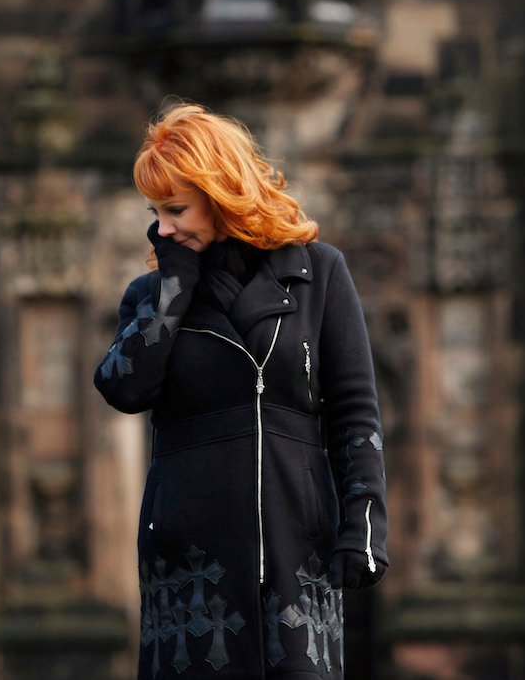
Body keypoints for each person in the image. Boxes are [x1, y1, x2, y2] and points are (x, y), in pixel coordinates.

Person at [95, 103, 388, 679]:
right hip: (191, 569)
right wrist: (174, 288)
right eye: (155, 213)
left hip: (296, 553)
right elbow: (122, 387)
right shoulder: (151, 295)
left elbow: (355, 409)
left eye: (176, 209)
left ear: (222, 192)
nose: (163, 228)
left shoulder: (319, 273)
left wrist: (366, 520)